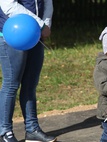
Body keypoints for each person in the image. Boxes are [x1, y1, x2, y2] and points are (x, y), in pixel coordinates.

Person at [0, 0, 57, 142]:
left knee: (30, 85)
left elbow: (47, 2)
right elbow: (8, 5)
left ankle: (32, 130)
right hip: (13, 34)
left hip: (34, 35)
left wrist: (46, 24)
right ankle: (4, 132)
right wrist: (40, 24)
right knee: (11, 84)